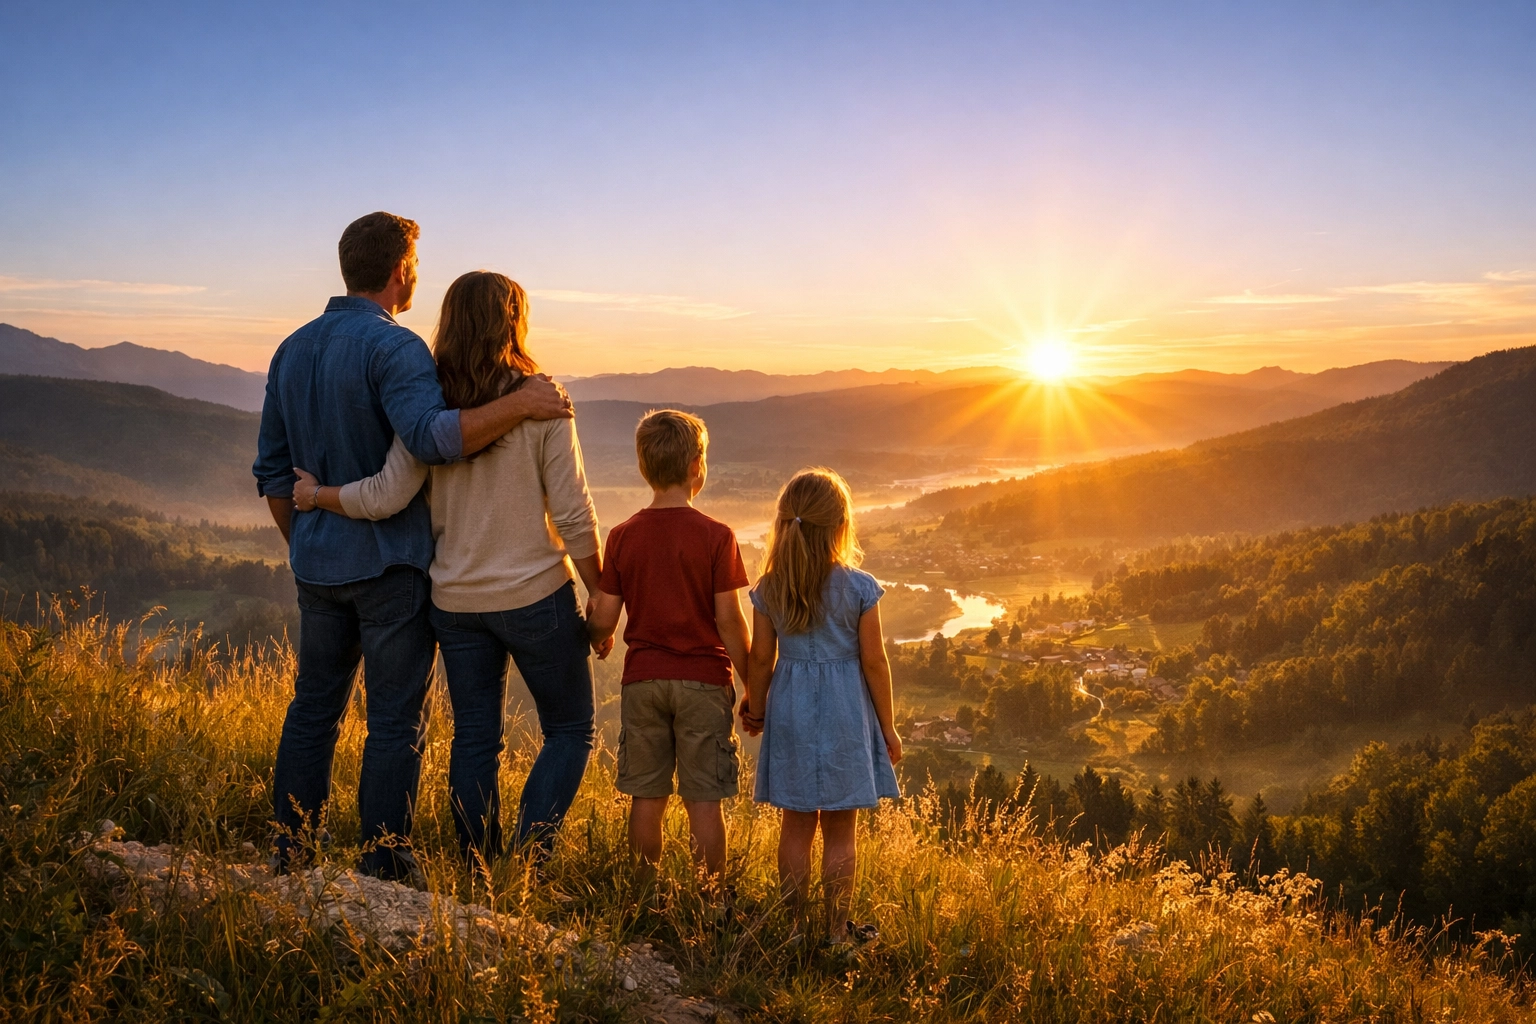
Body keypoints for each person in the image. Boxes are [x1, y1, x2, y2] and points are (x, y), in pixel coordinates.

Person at [252, 213, 572, 882]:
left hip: (318, 563)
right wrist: (520, 405)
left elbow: (274, 474)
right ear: (401, 271)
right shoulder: (395, 350)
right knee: (394, 721)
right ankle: (385, 861)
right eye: (415, 265)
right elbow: (429, 439)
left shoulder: (292, 349)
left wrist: (304, 543)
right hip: (390, 566)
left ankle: (291, 848)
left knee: (313, 708)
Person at [586, 410, 751, 891]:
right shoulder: (717, 536)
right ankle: (709, 901)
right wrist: (754, 684)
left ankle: (642, 895)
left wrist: (599, 635)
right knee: (703, 801)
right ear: (697, 466)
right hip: (704, 682)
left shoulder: (622, 536)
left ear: (643, 467)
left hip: (643, 680)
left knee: (646, 796)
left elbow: (604, 617)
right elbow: (730, 621)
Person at [738, 468, 902, 944]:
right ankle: (834, 932)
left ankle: (792, 930)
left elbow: (761, 658)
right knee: (840, 831)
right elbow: (874, 662)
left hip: (790, 708)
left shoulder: (770, 588)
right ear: (840, 524)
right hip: (846, 711)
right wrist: (887, 727)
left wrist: (758, 709)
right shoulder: (859, 587)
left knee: (795, 824)